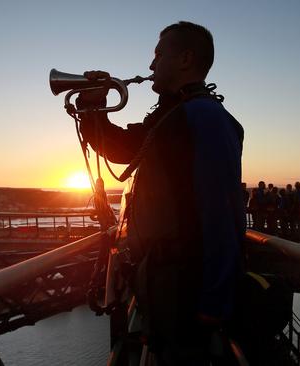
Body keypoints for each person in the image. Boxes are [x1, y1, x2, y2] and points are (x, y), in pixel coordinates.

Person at [76, 21, 245, 364]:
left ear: (185, 59)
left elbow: (224, 213)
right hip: (164, 281)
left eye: (158, 54)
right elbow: (123, 149)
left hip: (184, 285)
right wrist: (90, 106)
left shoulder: (205, 117)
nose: (151, 65)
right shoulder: (175, 114)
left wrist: (213, 303)